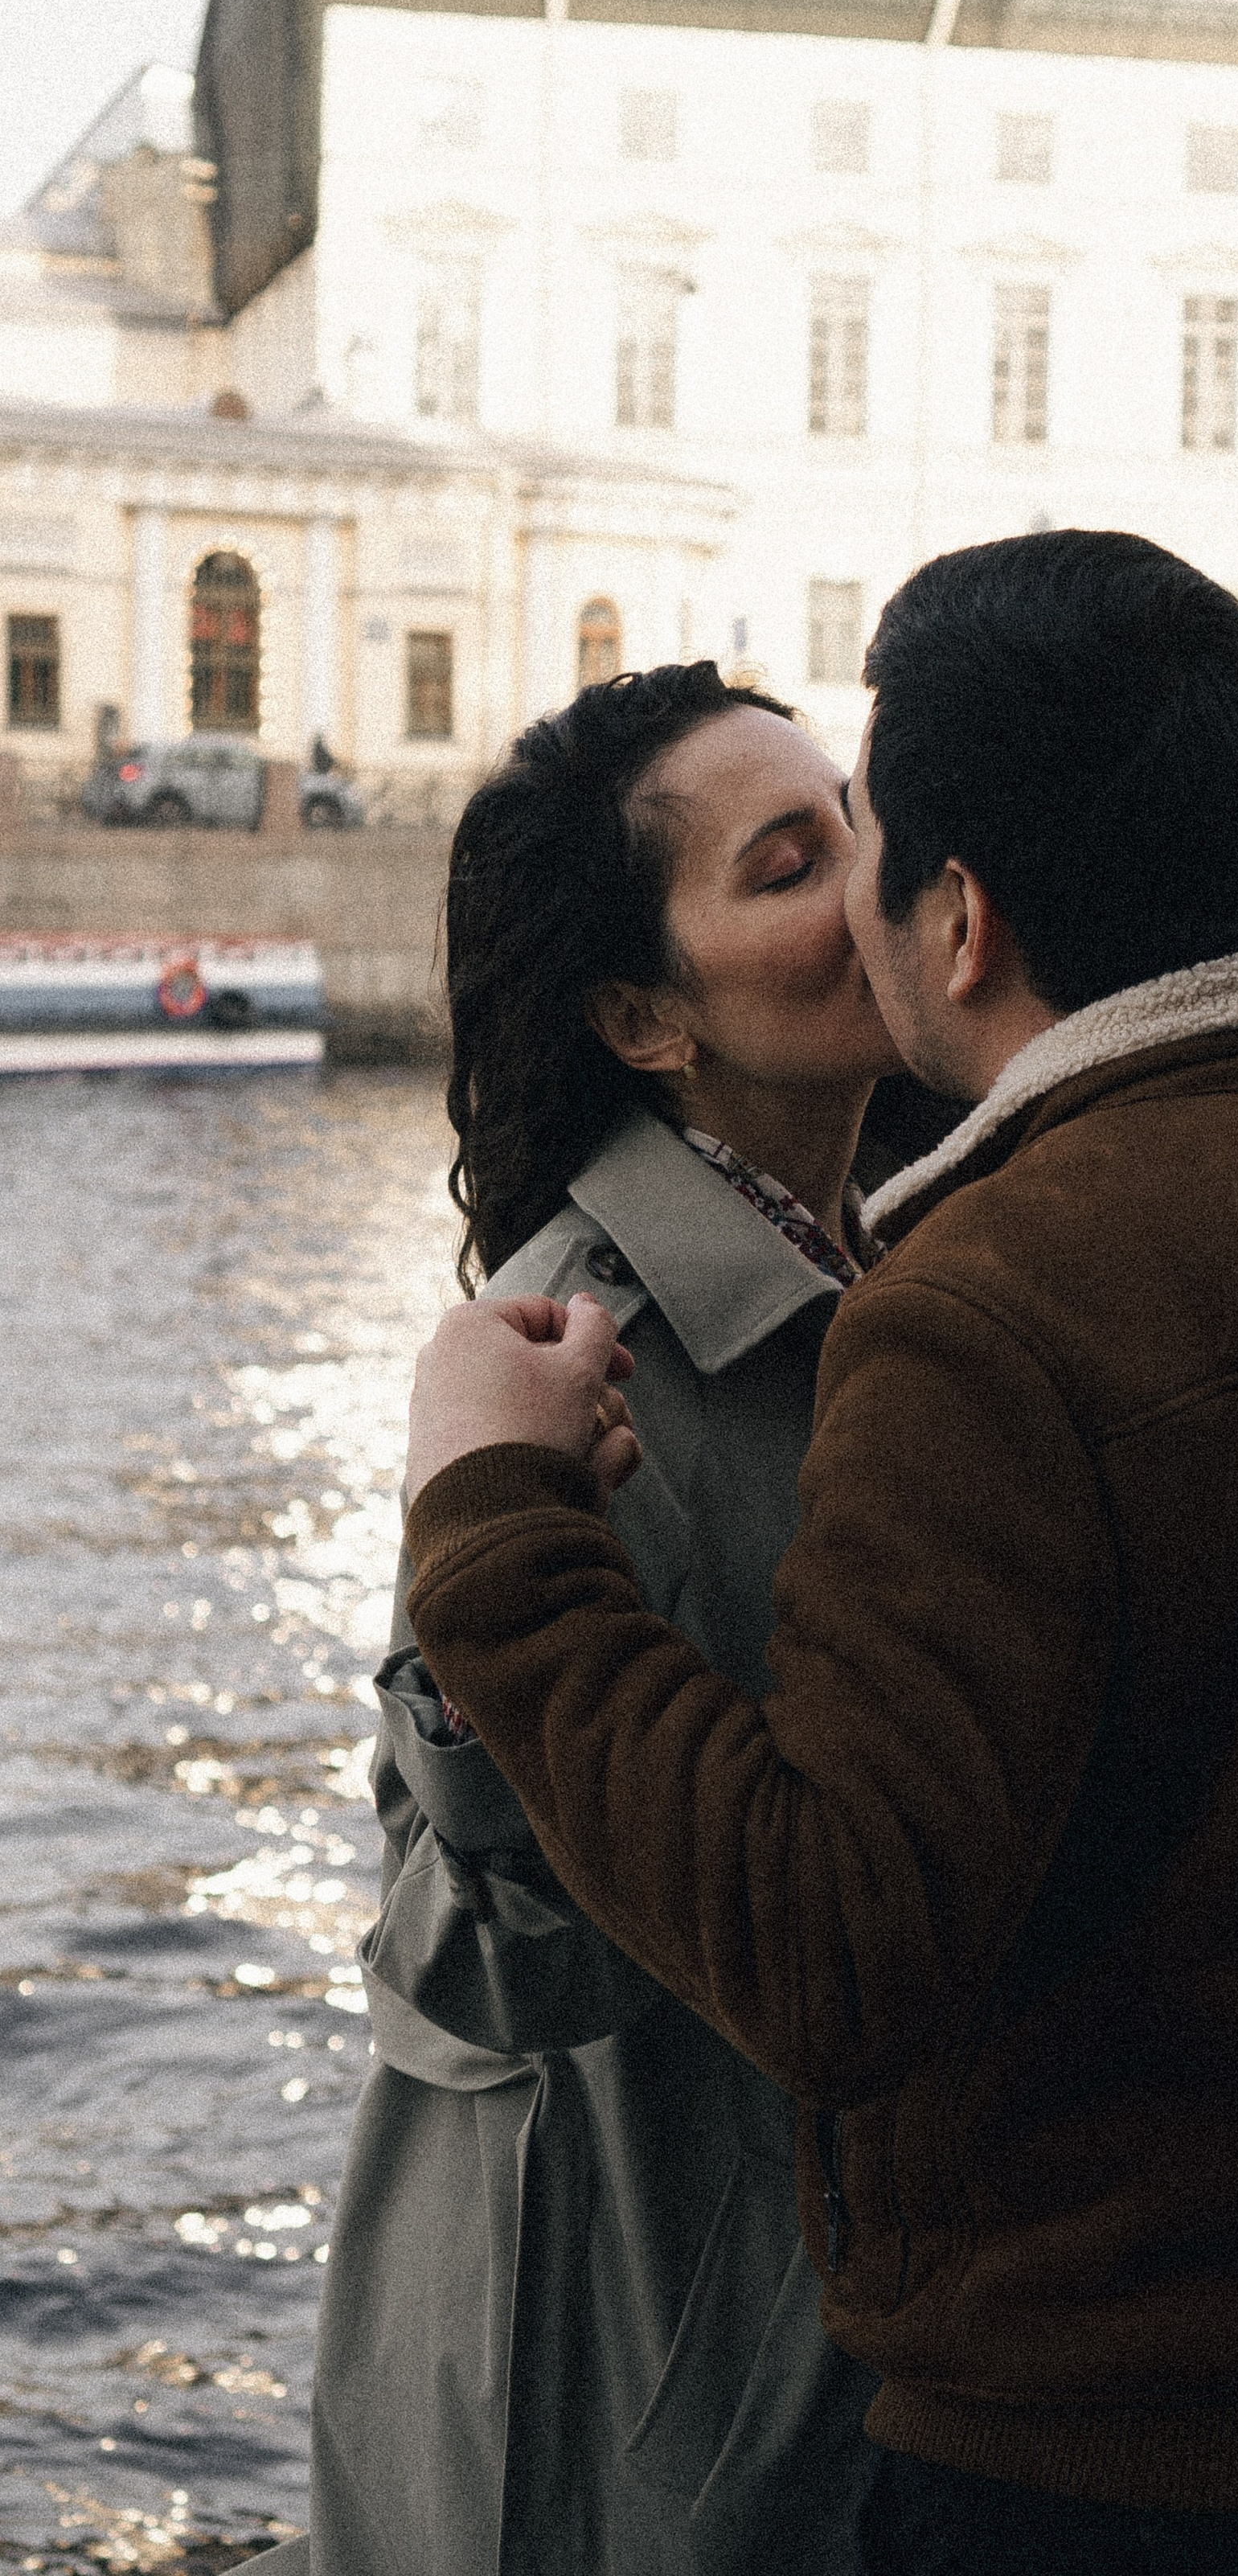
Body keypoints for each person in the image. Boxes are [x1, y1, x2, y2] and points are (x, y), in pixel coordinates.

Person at [397, 532, 1238, 2576]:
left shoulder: (983, 1312)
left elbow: (834, 1956)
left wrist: (503, 1541)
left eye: (864, 846)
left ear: (955, 925)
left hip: (1108, 2463)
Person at [257, 662, 897, 2576]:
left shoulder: (896, 1254)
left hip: (801, 2346)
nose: (871, 880)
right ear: (644, 1017)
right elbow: (488, 1961)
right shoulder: (562, 1352)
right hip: (616, 2378)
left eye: (860, 821)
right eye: (794, 862)